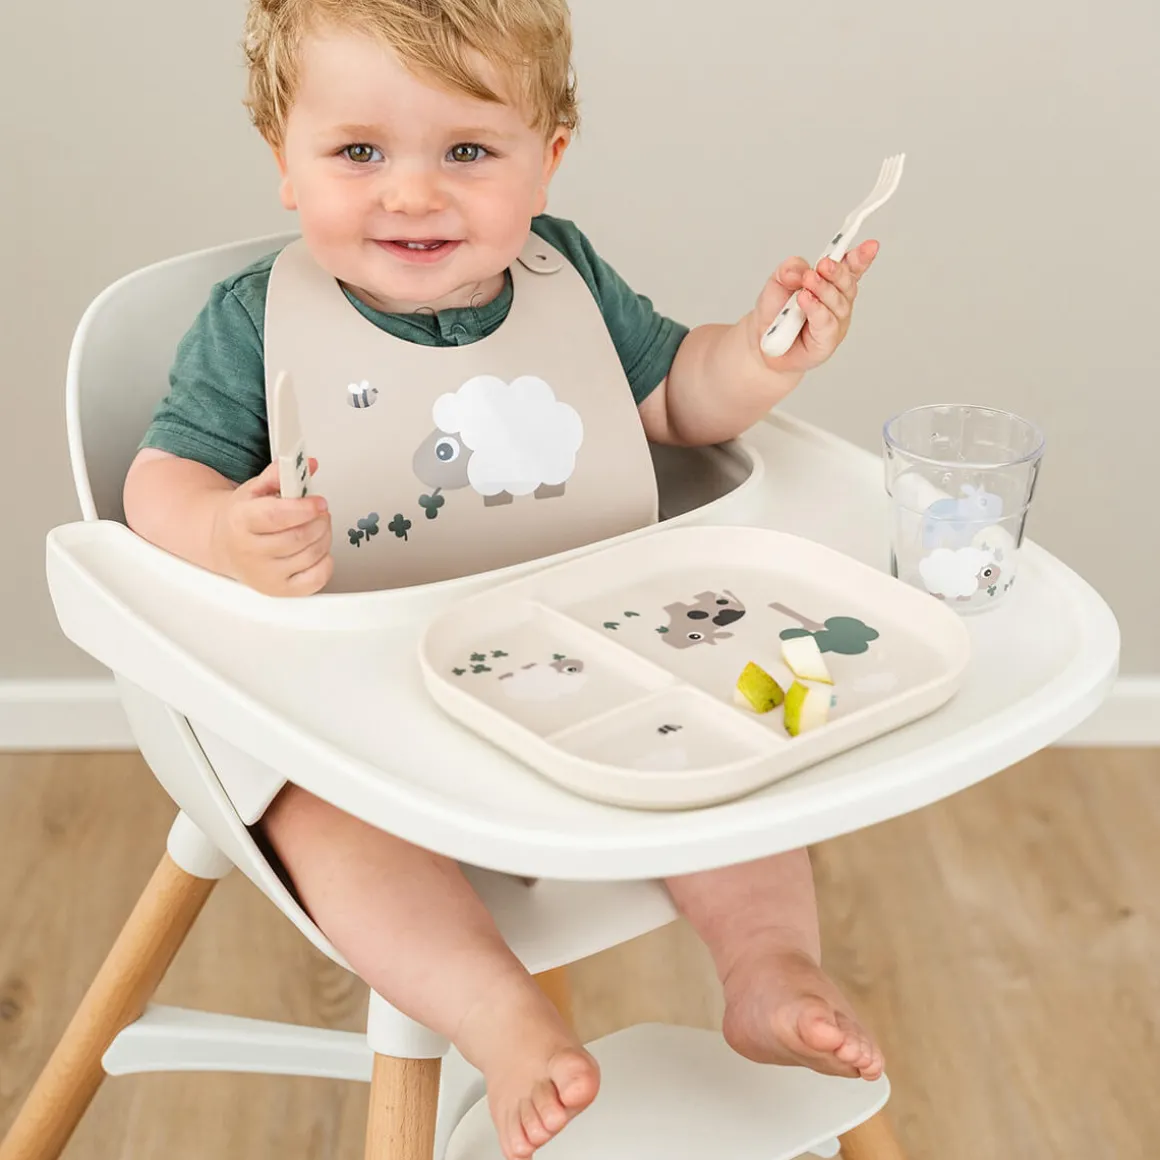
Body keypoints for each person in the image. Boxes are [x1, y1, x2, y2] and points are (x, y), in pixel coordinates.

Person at [123, 2, 884, 1156]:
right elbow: (156, 482)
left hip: (586, 664)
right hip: (357, 718)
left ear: (546, 161)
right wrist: (225, 530)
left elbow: (680, 398)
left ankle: (766, 960)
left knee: (728, 753)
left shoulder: (563, 276)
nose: (413, 193)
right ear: (285, 158)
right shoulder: (252, 324)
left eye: (468, 151)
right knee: (318, 820)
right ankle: (496, 1013)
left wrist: (762, 349)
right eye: (358, 151)